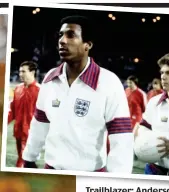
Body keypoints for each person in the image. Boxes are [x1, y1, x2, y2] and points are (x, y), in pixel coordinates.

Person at [22, 16, 134, 172]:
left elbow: (121, 139)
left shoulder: (109, 82)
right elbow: (40, 124)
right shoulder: (50, 78)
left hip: (89, 177)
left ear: (87, 44)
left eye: (71, 35)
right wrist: (29, 158)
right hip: (52, 172)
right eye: (60, 35)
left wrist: (117, 181)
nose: (62, 40)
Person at [8, 61, 40, 167]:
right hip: (18, 131)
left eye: (23, 71)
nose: (20, 74)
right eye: (19, 72)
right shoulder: (17, 89)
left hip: (31, 133)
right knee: (26, 162)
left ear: (32, 72)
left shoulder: (40, 91)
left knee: (22, 161)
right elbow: (12, 110)